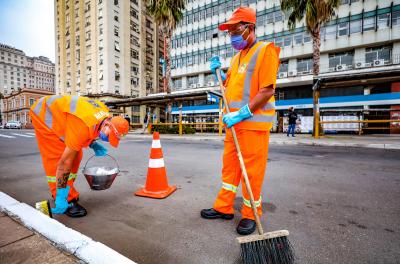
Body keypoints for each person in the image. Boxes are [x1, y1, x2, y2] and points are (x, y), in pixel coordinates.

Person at [200, 6, 280, 235]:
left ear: (250, 28)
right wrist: (221, 75)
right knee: (230, 170)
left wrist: (243, 113)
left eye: (236, 30)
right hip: (233, 125)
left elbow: (266, 90)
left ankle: (250, 214)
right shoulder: (237, 58)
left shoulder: (266, 51)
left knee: (251, 173)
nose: (232, 35)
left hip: (253, 124)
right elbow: (230, 87)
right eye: (230, 32)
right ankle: (224, 207)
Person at [30, 95, 129, 217]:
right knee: (58, 158)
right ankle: (63, 198)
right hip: (44, 115)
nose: (108, 140)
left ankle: (66, 191)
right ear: (108, 124)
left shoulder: (103, 114)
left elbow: (90, 129)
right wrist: (61, 197)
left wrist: (92, 143)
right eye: (109, 136)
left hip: (64, 117)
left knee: (77, 155)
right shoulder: (82, 124)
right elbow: (64, 164)